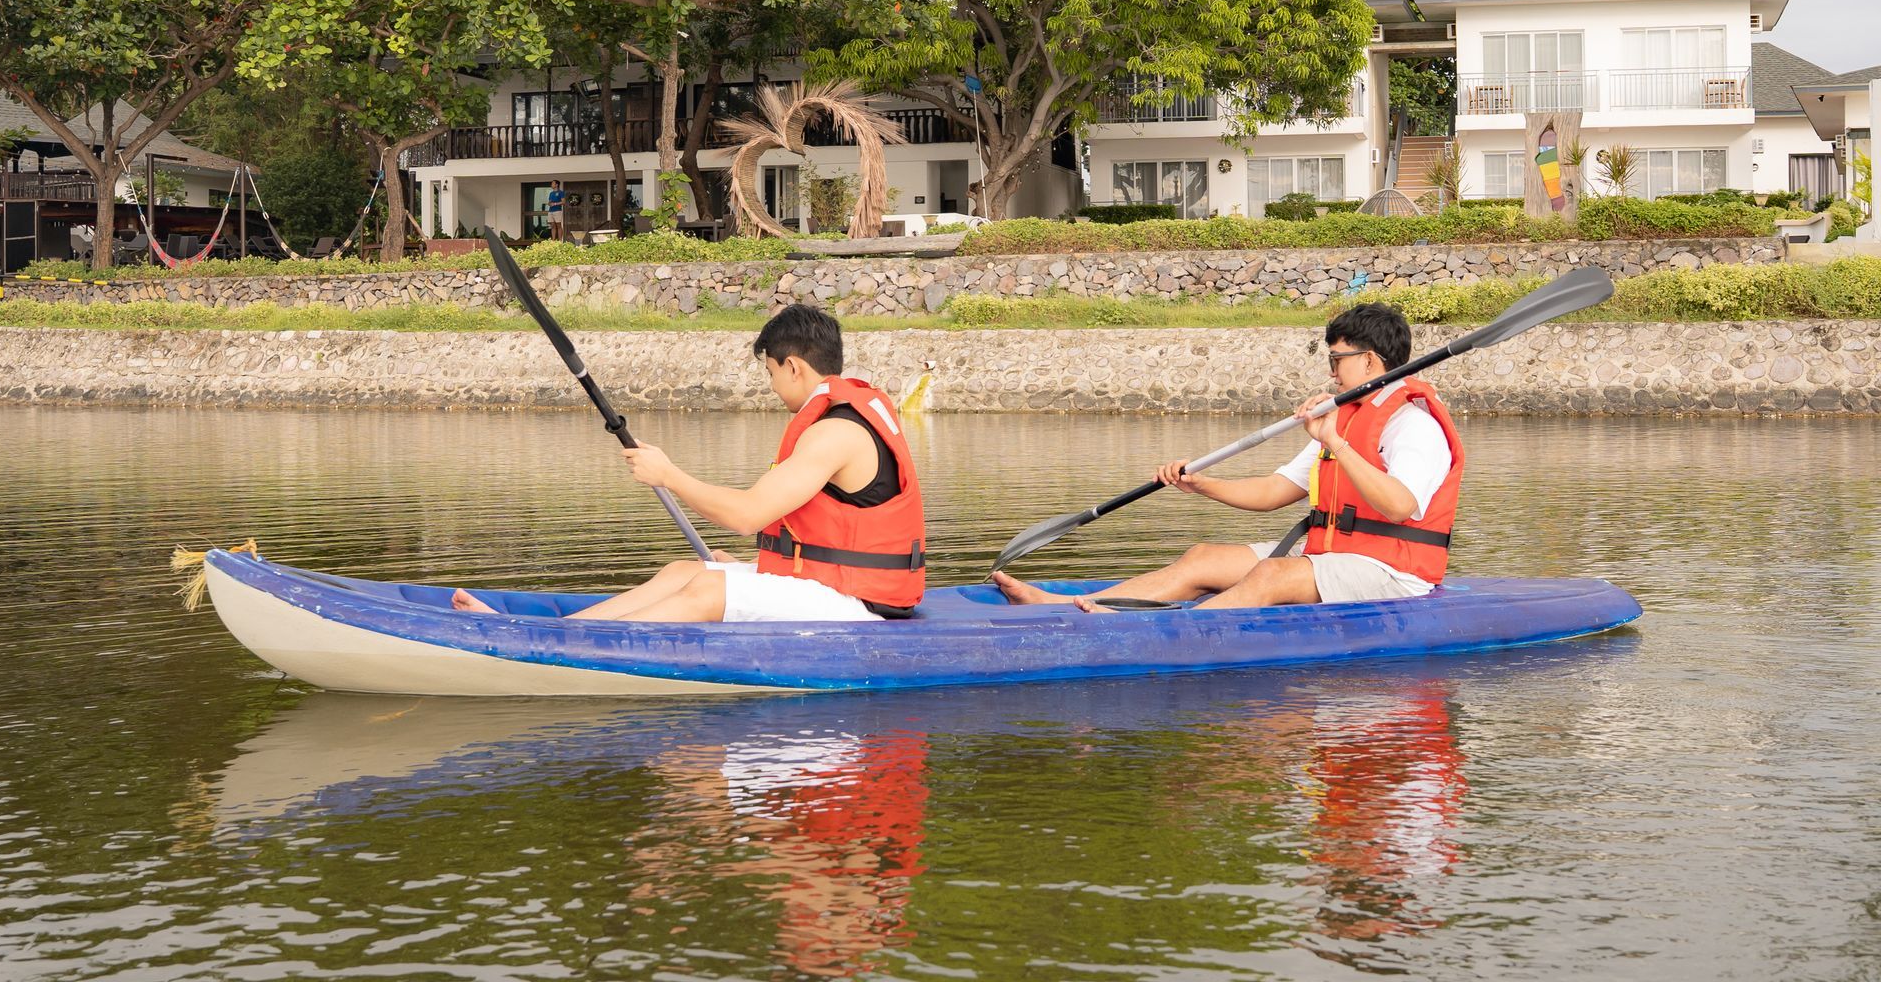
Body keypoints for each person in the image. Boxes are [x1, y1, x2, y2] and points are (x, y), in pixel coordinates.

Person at [454, 304, 926, 622]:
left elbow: (745, 516)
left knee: (709, 592)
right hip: (836, 585)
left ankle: (550, 647)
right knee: (687, 571)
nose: (773, 386)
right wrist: (754, 565)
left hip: (865, 604)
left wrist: (669, 474)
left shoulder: (835, 433)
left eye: (771, 374)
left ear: (794, 367)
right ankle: (560, 632)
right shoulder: (837, 420)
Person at [992, 303, 1462, 611]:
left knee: (1273, 573)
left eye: (1337, 360)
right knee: (1203, 559)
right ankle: (1065, 606)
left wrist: (1333, 441)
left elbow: (1401, 506)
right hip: (1334, 554)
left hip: (1393, 575)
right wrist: (1201, 484)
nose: (1331, 371)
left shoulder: (1413, 424)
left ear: (1371, 361)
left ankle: (1147, 629)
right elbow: (1277, 490)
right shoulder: (1350, 416)